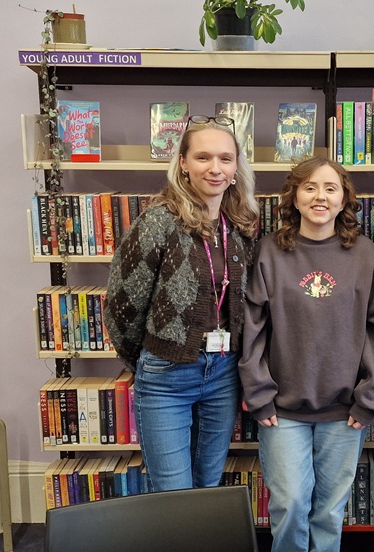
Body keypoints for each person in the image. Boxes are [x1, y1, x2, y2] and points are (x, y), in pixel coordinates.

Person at [239, 156, 374, 552]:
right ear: (293, 196)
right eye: (309, 187)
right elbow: (252, 328)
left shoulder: (365, 255)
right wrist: (258, 395)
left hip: (344, 411)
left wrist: (371, 399)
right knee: (291, 503)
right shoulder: (269, 253)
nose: (320, 197)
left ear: (344, 198)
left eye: (330, 188)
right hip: (282, 409)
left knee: (329, 511)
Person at [104, 115, 259, 491]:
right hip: (166, 377)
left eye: (225, 158)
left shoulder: (241, 225)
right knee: (173, 492)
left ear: (236, 166)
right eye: (203, 157)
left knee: (208, 486)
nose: (215, 168)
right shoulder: (158, 222)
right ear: (184, 165)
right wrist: (150, 358)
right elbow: (122, 306)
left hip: (224, 374)